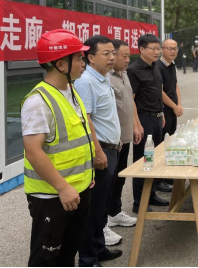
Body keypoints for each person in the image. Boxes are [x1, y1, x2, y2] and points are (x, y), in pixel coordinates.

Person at [21, 30, 94, 267]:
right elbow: (33, 151)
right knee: (45, 259)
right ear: (61, 64)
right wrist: (62, 187)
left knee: (67, 255)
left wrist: (87, 175)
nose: (83, 63)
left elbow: (78, 138)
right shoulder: (38, 101)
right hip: (52, 196)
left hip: (77, 190)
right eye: (79, 58)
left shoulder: (71, 91)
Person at [75, 36, 123, 266]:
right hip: (100, 151)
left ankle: (99, 248)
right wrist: (97, 152)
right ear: (91, 58)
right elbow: (86, 119)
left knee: (102, 205)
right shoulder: (86, 82)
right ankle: (88, 258)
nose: (112, 57)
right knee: (93, 209)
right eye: (106, 53)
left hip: (111, 149)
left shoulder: (104, 78)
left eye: (113, 53)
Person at [128, 34, 169, 214]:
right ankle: (139, 202)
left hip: (157, 118)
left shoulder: (156, 67)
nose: (156, 52)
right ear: (142, 49)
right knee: (143, 160)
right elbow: (131, 100)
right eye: (153, 48)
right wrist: (136, 125)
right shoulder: (134, 70)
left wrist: (161, 113)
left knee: (154, 159)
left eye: (158, 48)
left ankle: (151, 194)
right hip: (144, 119)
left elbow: (157, 92)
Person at [107, 40, 140, 234]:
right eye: (124, 56)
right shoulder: (107, 79)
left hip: (125, 137)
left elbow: (130, 102)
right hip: (113, 140)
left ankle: (115, 211)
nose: (128, 60)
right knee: (109, 180)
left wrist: (136, 125)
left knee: (119, 177)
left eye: (129, 56)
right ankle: (105, 218)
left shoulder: (124, 75)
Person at [159, 39, 184, 138]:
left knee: (171, 137)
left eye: (175, 49)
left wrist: (179, 105)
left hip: (173, 109)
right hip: (164, 110)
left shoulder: (172, 65)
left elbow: (175, 85)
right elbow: (159, 91)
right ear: (162, 49)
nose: (173, 51)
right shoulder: (158, 67)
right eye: (169, 49)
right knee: (163, 140)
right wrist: (174, 106)